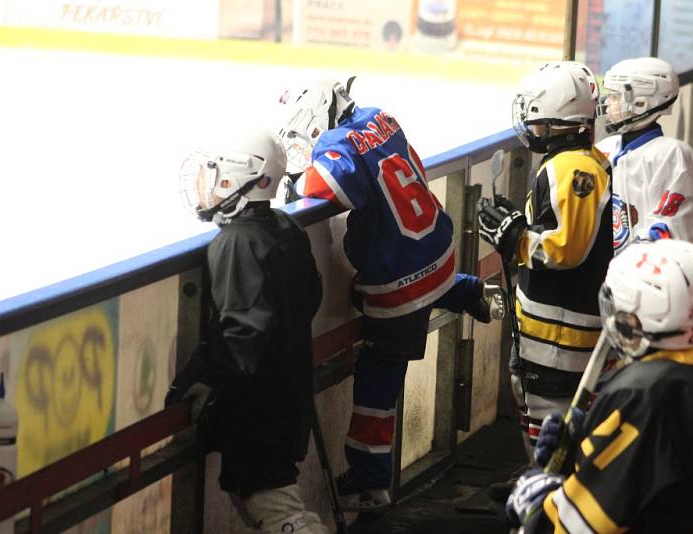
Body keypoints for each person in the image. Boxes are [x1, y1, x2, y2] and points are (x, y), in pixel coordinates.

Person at [277, 77, 497, 511]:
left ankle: (370, 483)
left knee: (378, 375)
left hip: (400, 280)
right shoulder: (380, 117)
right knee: (409, 286)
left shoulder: (336, 144)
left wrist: (296, 180)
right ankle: (464, 289)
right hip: (436, 248)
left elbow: (326, 189)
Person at [508, 239, 693, 532]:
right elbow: (661, 483)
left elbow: (582, 528)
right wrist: (582, 455)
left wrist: (539, 507)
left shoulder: (646, 395)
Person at [166, 128, 328, 534]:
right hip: (287, 396)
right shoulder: (284, 228)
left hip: (260, 413)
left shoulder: (237, 244)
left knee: (277, 511)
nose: (210, 184)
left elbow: (243, 335)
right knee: (258, 501)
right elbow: (310, 297)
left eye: (219, 175)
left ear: (249, 178)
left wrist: (200, 375)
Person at [477, 61, 613, 500]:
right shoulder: (582, 160)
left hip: (558, 333)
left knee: (550, 423)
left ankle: (548, 503)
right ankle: (537, 484)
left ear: (558, 118)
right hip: (555, 325)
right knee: (539, 417)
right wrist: (520, 230)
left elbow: (567, 249)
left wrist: (515, 238)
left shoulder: (570, 168)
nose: (529, 124)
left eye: (534, 114)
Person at [595, 57, 693, 253]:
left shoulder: (671, 155)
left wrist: (630, 266)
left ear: (642, 103)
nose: (607, 103)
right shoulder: (605, 148)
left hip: (644, 274)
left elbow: (669, 226)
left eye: (616, 97)